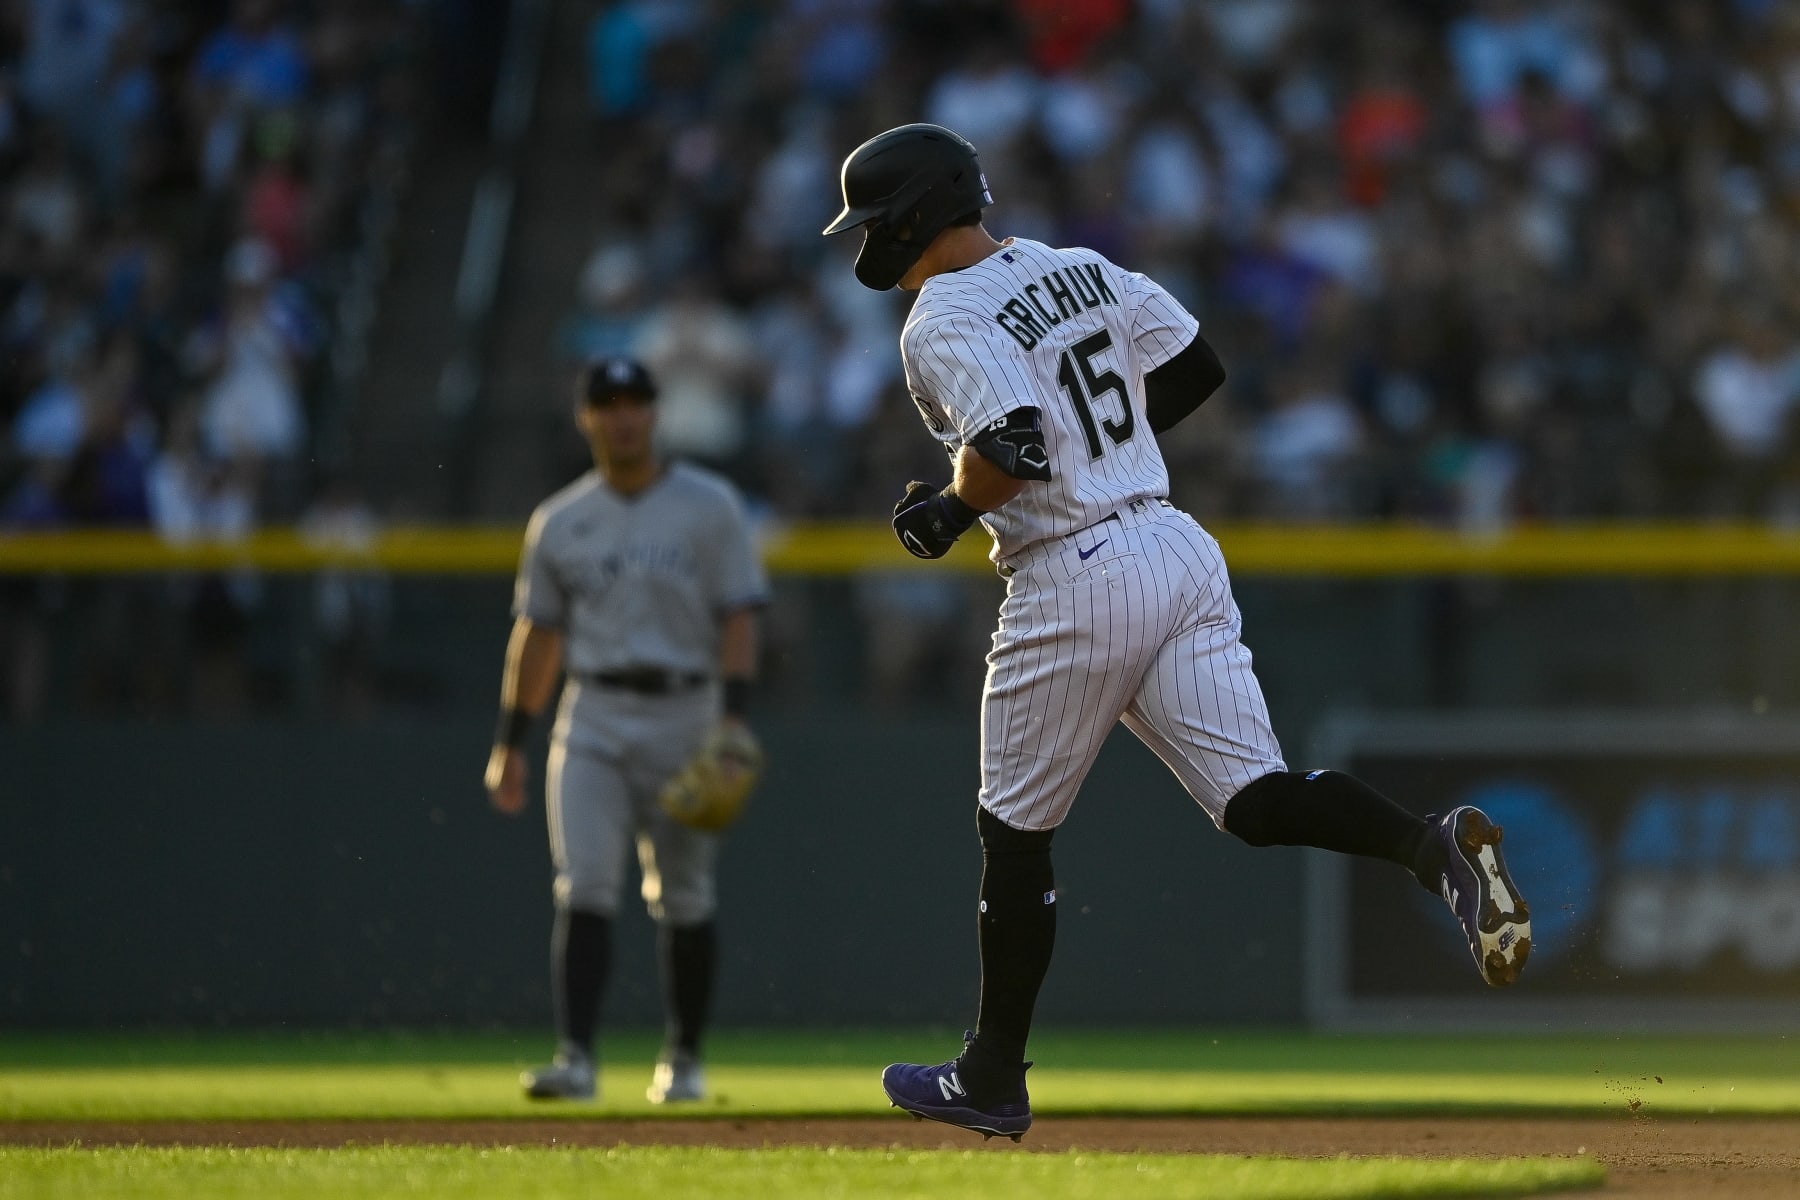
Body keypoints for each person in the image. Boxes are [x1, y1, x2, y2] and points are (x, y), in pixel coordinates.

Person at [820, 124, 1532, 1141]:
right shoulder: (1076, 265)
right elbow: (1196, 366)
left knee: (1013, 837)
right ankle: (1434, 847)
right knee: (1255, 801)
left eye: (876, 219)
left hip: (1072, 571)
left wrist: (946, 508)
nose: (869, 242)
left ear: (914, 214)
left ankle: (988, 1077)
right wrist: (1099, 456)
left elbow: (1014, 445)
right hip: (1171, 540)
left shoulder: (943, 314)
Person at [484, 356, 769, 1104]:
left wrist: (733, 722)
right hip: (596, 714)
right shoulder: (560, 519)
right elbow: (538, 639)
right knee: (585, 884)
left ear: (655, 412)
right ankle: (576, 1058)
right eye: (607, 403)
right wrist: (511, 742)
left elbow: (740, 615)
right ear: (586, 418)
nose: (623, 415)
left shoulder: (710, 506)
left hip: (687, 710)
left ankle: (684, 1061)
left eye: (636, 401)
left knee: (685, 895)